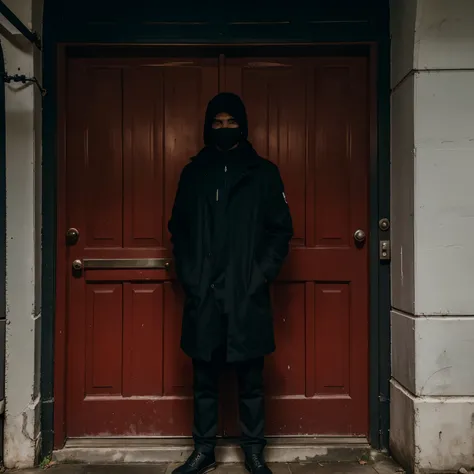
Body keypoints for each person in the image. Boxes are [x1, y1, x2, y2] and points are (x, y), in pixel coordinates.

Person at [168, 92, 293, 474]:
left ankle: (254, 452)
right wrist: (191, 276)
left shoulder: (264, 173)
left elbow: (280, 230)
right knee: (203, 377)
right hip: (204, 291)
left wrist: (259, 275)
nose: (224, 129)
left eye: (230, 122)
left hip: (245, 292)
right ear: (209, 127)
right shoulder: (193, 173)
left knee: (251, 379)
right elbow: (179, 230)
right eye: (217, 122)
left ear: (243, 125)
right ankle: (203, 450)